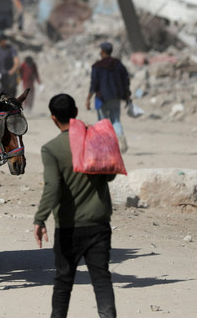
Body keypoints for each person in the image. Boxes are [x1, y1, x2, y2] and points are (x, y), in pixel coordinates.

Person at [34, 94, 116, 318]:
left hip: (69, 227)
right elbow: (109, 177)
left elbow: (53, 187)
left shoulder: (51, 149)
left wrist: (40, 219)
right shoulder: (94, 140)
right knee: (101, 280)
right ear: (76, 113)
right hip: (99, 224)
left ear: (53, 118)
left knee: (63, 282)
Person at [86, 42, 130, 153]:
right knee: (116, 120)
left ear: (102, 51)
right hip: (116, 97)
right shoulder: (118, 64)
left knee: (102, 122)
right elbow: (126, 80)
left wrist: (88, 98)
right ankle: (121, 138)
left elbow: (94, 84)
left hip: (102, 98)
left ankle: (105, 146)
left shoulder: (97, 66)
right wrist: (127, 95)